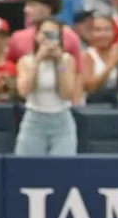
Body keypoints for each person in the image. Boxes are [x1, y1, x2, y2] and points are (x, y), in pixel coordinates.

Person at [14, 17, 78, 156]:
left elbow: (66, 94)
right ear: (37, 36)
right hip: (34, 121)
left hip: (62, 122)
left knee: (63, 169)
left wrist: (59, 63)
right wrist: (37, 61)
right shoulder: (26, 61)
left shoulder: (67, 60)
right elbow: (23, 91)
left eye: (53, 34)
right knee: (25, 168)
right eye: (44, 33)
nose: (48, 38)